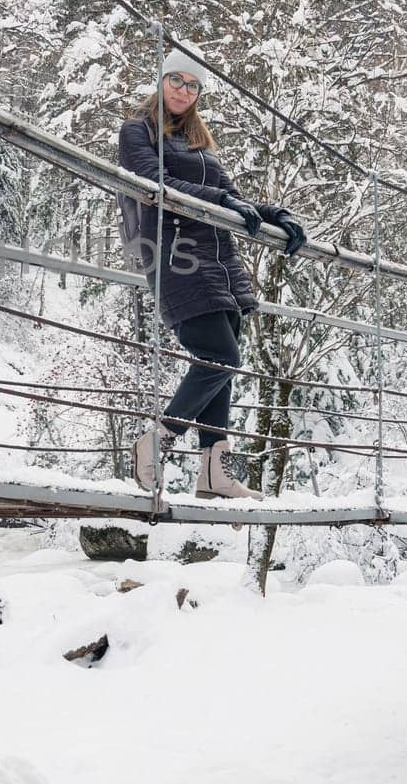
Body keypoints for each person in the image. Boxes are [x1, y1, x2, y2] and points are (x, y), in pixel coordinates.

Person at [117, 46, 307, 499]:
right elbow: (154, 183)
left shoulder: (199, 141)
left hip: (220, 260)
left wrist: (275, 214)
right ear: (159, 82)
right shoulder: (137, 130)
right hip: (175, 255)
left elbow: (230, 194)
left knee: (217, 365)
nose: (183, 90)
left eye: (193, 84)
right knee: (221, 357)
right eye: (175, 80)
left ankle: (212, 472)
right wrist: (221, 203)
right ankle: (158, 437)